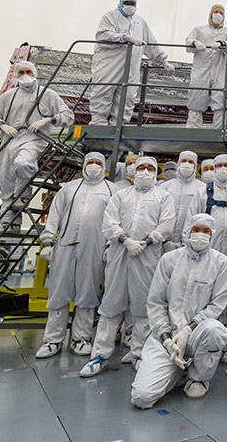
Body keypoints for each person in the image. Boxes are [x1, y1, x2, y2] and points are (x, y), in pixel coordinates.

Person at [80, 156, 176, 378]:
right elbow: (109, 222)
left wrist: (147, 241)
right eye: (140, 168)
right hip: (119, 253)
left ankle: (138, 353)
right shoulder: (121, 195)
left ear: (156, 172)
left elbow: (167, 224)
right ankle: (100, 356)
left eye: (149, 168)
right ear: (134, 171)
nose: (144, 172)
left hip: (147, 256)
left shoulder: (164, 197)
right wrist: (125, 240)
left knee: (143, 306)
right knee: (111, 303)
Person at [131, 214, 227, 408]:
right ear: (188, 231)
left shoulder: (220, 262)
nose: (200, 235)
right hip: (167, 336)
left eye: (206, 232)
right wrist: (167, 337)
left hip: (197, 334)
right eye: (196, 230)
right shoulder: (169, 260)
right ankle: (178, 370)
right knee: (142, 397)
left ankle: (198, 377)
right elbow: (156, 302)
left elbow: (218, 303)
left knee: (215, 331)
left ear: (212, 235)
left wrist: (188, 330)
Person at [36, 152, 116, 358]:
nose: (94, 166)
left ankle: (81, 339)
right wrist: (47, 241)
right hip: (64, 245)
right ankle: (52, 340)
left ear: (104, 166)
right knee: (58, 292)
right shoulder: (69, 189)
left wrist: (110, 246)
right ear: (84, 165)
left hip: (95, 247)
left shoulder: (112, 190)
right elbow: (54, 215)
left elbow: (115, 221)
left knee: (88, 293)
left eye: (98, 163)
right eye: (91, 163)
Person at [0, 60, 74, 230]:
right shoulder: (8, 97)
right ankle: (8, 224)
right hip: (10, 141)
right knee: (6, 181)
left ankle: (23, 196)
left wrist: (48, 119)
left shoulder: (48, 95)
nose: (25, 76)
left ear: (35, 73)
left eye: (29, 72)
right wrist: (2, 125)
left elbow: (67, 116)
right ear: (17, 75)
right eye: (21, 72)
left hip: (34, 139)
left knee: (23, 163)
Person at [185, 154, 227, 362]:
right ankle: (201, 342)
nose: (222, 169)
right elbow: (189, 225)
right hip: (207, 256)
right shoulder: (202, 193)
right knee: (204, 298)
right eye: (219, 166)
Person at [89, 0, 174, 126]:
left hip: (131, 68)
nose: (130, 6)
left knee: (128, 95)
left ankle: (119, 124)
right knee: (104, 91)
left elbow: (150, 42)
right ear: (121, 3)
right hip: (109, 65)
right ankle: (98, 123)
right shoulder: (110, 16)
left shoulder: (140, 22)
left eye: (133, 4)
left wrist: (162, 59)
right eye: (127, 3)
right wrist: (124, 38)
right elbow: (102, 35)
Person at [185, 4, 227, 130]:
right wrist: (195, 42)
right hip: (201, 71)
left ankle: (219, 133)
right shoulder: (199, 29)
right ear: (210, 14)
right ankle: (192, 133)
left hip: (219, 71)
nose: (218, 15)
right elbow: (188, 44)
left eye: (221, 13)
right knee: (196, 101)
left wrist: (221, 43)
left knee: (220, 103)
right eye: (216, 12)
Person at [160, 151, 203, 245]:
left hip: (189, 242)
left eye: (190, 162)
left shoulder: (201, 188)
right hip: (163, 242)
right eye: (184, 161)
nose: (186, 164)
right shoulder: (165, 187)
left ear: (195, 166)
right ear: (178, 164)